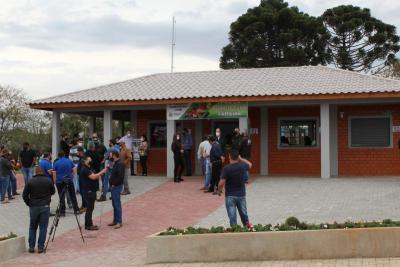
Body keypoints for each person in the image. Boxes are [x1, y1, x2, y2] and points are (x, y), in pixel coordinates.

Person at [23, 166, 55, 253]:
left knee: (32, 227)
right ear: (43, 172)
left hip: (33, 206)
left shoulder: (30, 181)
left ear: (35, 172)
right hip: (45, 206)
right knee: (43, 227)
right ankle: (40, 247)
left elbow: (24, 195)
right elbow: (53, 191)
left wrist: (29, 203)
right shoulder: (48, 180)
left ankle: (31, 246)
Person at [217, 150, 253, 229]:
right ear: (238, 157)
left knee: (232, 216)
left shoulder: (226, 168)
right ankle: (247, 229)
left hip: (230, 196)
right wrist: (242, 159)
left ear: (229, 157)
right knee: (244, 214)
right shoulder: (242, 166)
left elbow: (221, 183)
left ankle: (234, 231)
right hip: (241, 195)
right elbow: (250, 164)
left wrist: (219, 190)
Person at [79, 156, 107, 230]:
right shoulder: (84, 169)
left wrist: (98, 175)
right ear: (85, 161)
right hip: (88, 191)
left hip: (92, 190)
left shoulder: (89, 167)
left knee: (91, 208)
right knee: (89, 208)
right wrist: (102, 172)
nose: (91, 160)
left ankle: (89, 224)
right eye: (89, 159)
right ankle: (88, 225)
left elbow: (95, 175)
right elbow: (93, 177)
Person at [53, 151, 79, 216]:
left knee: (61, 196)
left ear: (58, 156)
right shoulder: (69, 161)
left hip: (60, 181)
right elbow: (74, 170)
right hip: (69, 180)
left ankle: (62, 211)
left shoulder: (56, 163)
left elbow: (54, 173)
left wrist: (54, 181)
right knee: (72, 195)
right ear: (64, 155)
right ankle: (76, 210)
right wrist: (71, 176)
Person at [108, 151, 125, 229]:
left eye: (110, 155)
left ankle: (119, 221)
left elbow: (120, 176)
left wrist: (114, 184)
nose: (109, 156)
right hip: (113, 186)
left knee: (117, 203)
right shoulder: (115, 163)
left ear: (114, 155)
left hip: (116, 186)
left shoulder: (120, 164)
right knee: (114, 204)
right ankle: (115, 220)